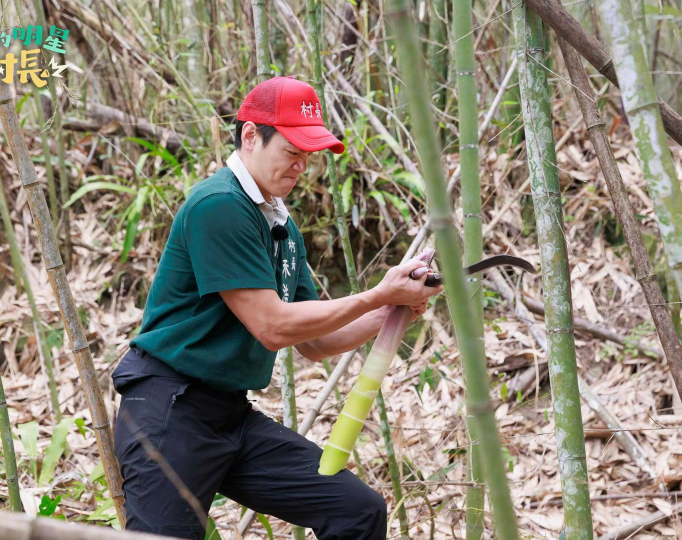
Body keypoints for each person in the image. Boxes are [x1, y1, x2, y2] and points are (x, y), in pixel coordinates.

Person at [112, 76, 442, 540]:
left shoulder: (279, 224)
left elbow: (315, 342)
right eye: (293, 151)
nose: (301, 166)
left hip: (228, 415)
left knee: (357, 511)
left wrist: (391, 312)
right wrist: (377, 295)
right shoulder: (220, 205)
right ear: (251, 136)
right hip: (169, 411)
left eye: (308, 155)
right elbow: (272, 327)